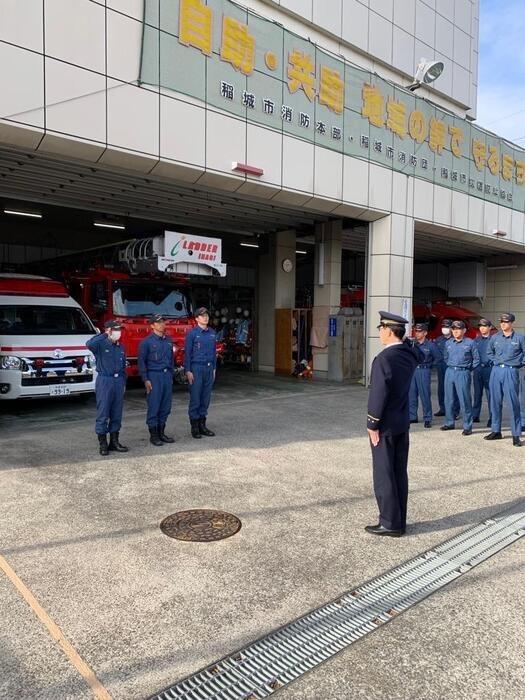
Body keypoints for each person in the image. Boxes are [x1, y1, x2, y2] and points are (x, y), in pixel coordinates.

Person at [365, 311, 420, 538]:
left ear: (388, 331)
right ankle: (400, 520)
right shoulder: (409, 355)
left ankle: (389, 522)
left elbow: (378, 395)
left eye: (381, 328)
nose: (379, 332)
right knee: (399, 472)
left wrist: (372, 423)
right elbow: (421, 354)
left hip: (385, 425)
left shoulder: (384, 359)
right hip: (401, 422)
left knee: (384, 474)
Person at [86, 320, 128, 456]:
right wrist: (104, 334)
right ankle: (103, 443)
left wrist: (124, 384)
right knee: (103, 412)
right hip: (105, 380)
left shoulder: (121, 347)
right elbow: (89, 344)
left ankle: (114, 442)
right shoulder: (100, 345)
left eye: (119, 329)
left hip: (118, 381)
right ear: (109, 330)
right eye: (115, 329)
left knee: (117, 412)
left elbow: (123, 368)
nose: (118, 332)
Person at [485, 313, 525, 447]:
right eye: (501, 322)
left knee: (513, 403)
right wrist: (496, 361)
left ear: (512, 323)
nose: (503, 324)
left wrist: (518, 363)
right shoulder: (495, 338)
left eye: (506, 322)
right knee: (494, 402)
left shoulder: (519, 338)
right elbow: (489, 352)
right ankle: (496, 431)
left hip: (510, 371)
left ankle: (515, 434)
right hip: (496, 371)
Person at [138, 314, 175, 446]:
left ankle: (161, 432)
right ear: (152, 325)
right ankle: (153, 435)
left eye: (163, 322)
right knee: (154, 405)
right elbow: (141, 362)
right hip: (154, 376)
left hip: (166, 376)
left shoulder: (168, 340)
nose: (162, 324)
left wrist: (171, 375)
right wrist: (145, 379)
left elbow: (171, 360)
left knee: (166, 406)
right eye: (158, 323)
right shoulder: (146, 342)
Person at [440, 320, 479, 435]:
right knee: (448, 399)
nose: (455, 331)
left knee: (464, 399)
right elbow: (445, 357)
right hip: (450, 371)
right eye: (454, 329)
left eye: (458, 329)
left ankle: (467, 426)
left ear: (464, 330)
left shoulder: (470, 343)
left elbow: (476, 359)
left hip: (463, 373)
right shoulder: (448, 343)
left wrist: (467, 369)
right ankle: (449, 422)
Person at [184, 307, 217, 439]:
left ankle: (203, 425)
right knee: (196, 398)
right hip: (196, 368)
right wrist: (188, 370)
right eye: (202, 316)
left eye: (207, 315)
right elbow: (187, 354)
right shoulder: (192, 334)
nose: (205, 318)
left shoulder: (212, 333)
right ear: (196, 318)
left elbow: (214, 353)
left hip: (209, 368)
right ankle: (194, 427)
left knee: (206, 398)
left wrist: (214, 369)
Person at [409, 323, 441, 428]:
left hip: (424, 370)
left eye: (419, 331)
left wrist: (429, 366)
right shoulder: (412, 344)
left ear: (425, 333)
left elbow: (438, 358)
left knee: (425, 395)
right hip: (413, 371)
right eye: (416, 331)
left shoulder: (430, 345)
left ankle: (427, 418)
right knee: (412, 395)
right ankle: (412, 416)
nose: (417, 333)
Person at [434, 319, 459, 418]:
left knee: (453, 389)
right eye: (443, 326)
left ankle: (455, 410)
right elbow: (435, 353)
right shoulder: (438, 340)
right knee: (441, 388)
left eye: (447, 327)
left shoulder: (455, 339)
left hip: (451, 366)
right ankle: (442, 408)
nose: (444, 329)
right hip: (441, 366)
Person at [472, 319, 493, 427]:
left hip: (489, 369)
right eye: (480, 326)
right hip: (478, 369)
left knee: (491, 395)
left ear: (489, 327)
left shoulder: (494, 340)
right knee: (477, 393)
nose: (482, 328)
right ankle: (475, 415)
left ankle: (492, 417)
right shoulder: (476, 340)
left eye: (484, 326)